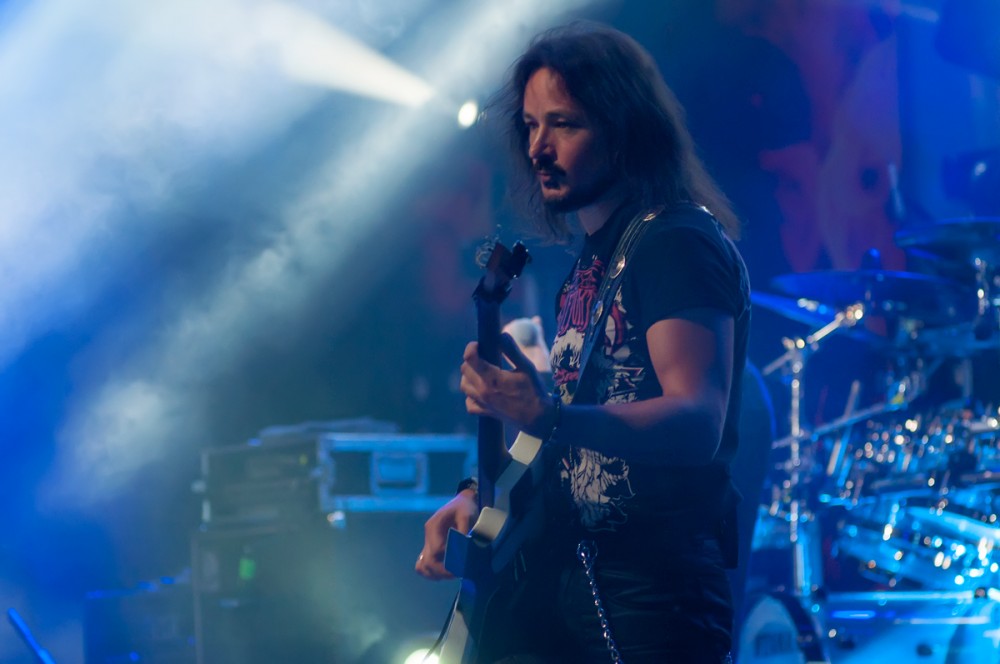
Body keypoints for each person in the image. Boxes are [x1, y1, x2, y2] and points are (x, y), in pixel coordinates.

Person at [415, 22, 751, 663]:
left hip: (651, 593)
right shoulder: (591, 264)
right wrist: (476, 494)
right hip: (568, 577)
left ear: (623, 130)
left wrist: (547, 414)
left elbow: (696, 422)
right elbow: (566, 439)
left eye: (563, 124)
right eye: (531, 126)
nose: (538, 148)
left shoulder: (676, 243)